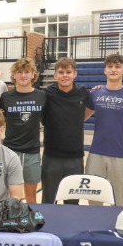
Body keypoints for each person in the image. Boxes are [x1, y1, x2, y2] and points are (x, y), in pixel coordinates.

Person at [85, 54, 123, 206]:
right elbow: (80, 118)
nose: (113, 70)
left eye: (117, 67)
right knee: (94, 202)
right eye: (110, 67)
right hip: (96, 153)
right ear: (105, 70)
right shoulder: (95, 93)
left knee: (117, 202)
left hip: (120, 155)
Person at [41, 57, 92, 204]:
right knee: (49, 202)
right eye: (61, 72)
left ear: (75, 74)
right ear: (55, 75)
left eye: (68, 72)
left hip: (75, 158)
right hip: (51, 157)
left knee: (72, 204)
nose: (65, 75)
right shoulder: (46, 94)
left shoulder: (83, 92)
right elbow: (42, 118)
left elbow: (89, 110)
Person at [0, 57, 47, 203]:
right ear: (14, 75)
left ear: (33, 74)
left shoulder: (41, 96)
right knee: (9, 195)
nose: (23, 75)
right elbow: (0, 122)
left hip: (32, 153)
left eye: (27, 72)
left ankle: (30, 217)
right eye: (19, 72)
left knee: (31, 196)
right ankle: (7, 216)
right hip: (10, 151)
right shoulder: (6, 97)